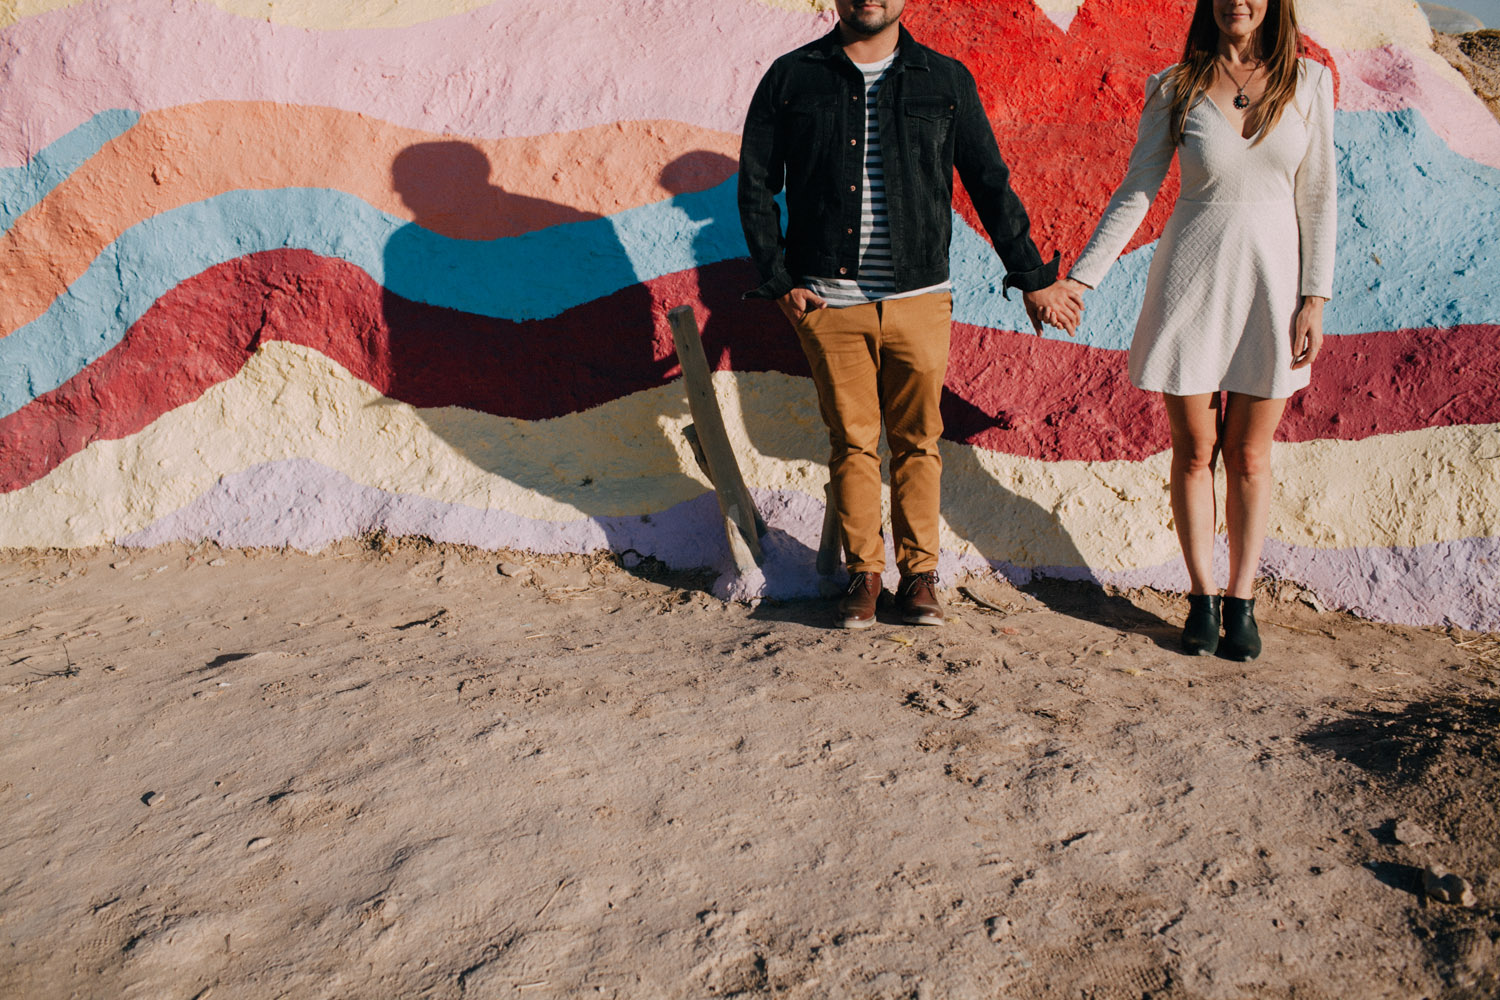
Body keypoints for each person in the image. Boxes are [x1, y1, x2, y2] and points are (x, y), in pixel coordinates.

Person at [738, 0, 1083, 629]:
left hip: (918, 297)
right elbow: (757, 183)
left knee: (918, 441)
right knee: (852, 443)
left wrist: (1033, 277)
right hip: (828, 300)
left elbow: (988, 181)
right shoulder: (793, 78)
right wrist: (779, 279)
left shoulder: (944, 79)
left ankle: (920, 576)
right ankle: (864, 575)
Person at [1062, 0, 1335, 660]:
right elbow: (1139, 188)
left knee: (1249, 453)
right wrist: (1082, 277)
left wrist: (1314, 299)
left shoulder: (1310, 82)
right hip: (1191, 280)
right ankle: (1202, 596)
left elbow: (1320, 193)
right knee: (1194, 449)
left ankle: (1242, 600)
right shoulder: (1174, 86)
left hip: (1273, 288)